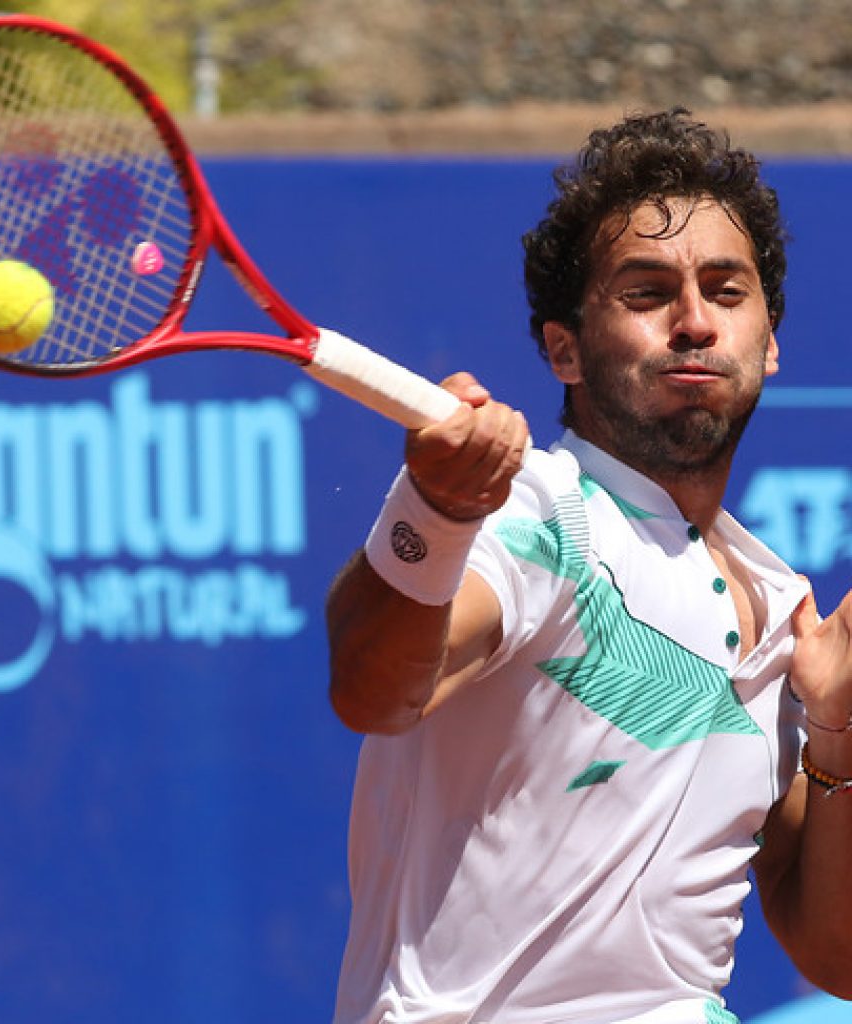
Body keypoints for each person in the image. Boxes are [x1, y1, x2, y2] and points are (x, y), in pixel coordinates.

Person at [325, 107, 852, 1024]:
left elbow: (837, 956)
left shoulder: (780, 605)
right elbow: (374, 692)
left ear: (768, 340)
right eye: (647, 293)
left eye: (726, 292)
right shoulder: (537, 508)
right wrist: (438, 512)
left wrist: (841, 736)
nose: (694, 321)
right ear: (563, 346)